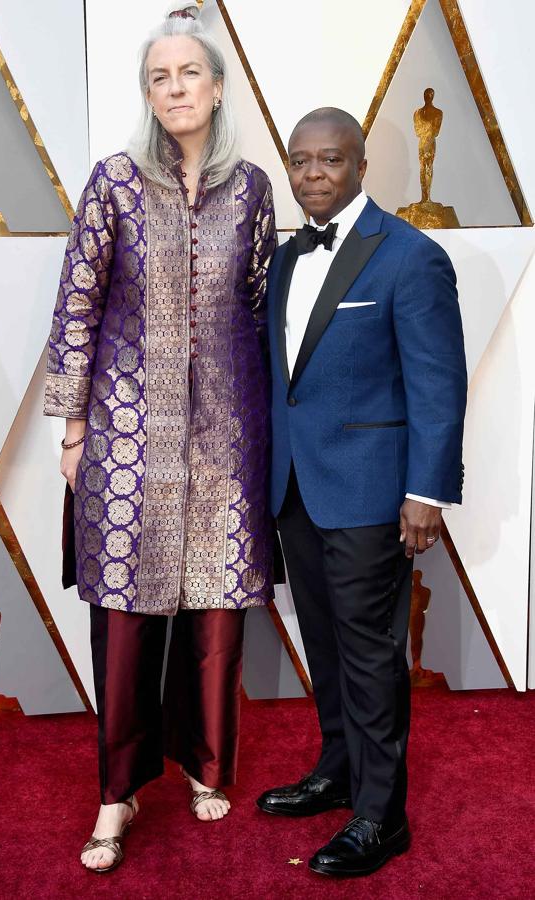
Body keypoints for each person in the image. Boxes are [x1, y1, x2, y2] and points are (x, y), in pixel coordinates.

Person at [43, 3, 276, 874]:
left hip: (226, 433)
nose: (174, 88)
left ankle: (208, 764)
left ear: (216, 87)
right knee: (126, 619)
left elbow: (258, 307)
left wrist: (270, 434)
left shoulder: (251, 188)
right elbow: (76, 305)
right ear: (147, 93)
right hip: (125, 431)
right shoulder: (112, 182)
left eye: (189, 74)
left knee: (217, 614)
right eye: (158, 76)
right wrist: (73, 426)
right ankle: (117, 791)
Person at [257, 108, 467, 878]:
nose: (313, 174)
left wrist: (426, 491)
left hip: (375, 493)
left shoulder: (410, 257)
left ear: (361, 164)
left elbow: (438, 384)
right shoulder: (284, 258)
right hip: (297, 489)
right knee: (325, 642)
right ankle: (337, 771)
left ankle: (382, 816)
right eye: (301, 161)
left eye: (330, 161)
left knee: (371, 655)